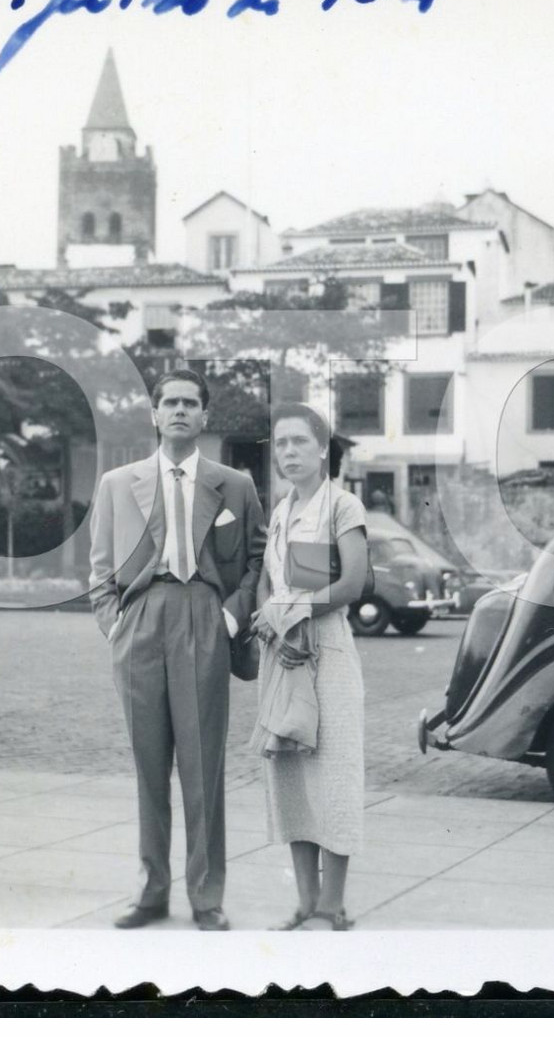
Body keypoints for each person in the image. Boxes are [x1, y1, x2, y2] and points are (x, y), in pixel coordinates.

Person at [87, 369, 266, 931]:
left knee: (202, 768)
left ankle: (206, 896)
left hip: (205, 618)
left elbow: (258, 560)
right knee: (147, 768)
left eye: (191, 403)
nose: (181, 411)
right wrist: (114, 624)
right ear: (155, 414)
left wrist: (232, 618)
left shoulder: (234, 484)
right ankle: (151, 891)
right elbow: (98, 568)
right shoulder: (119, 483)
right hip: (141, 619)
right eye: (171, 402)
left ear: (205, 416)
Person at [253, 402, 369, 931]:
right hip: (283, 653)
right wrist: (266, 611)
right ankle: (304, 899)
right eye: (281, 443)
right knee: (292, 774)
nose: (289, 451)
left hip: (328, 652)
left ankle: (333, 903)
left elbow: (352, 583)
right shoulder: (280, 511)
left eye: (300, 441)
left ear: (323, 449)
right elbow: (272, 581)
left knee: (335, 776)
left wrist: (291, 608)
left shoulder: (341, 506)